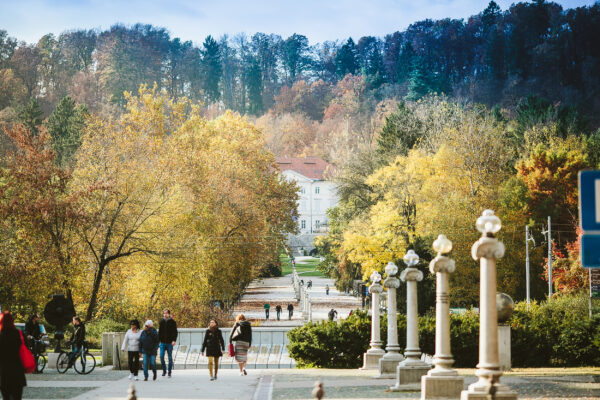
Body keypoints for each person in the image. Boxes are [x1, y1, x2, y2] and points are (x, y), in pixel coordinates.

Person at [0, 311, 26, 400]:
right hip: (17, 371)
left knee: (6, 397)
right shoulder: (17, 334)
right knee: (17, 397)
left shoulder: (1, 335)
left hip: (4, 373)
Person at [158, 309, 178, 378]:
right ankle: (164, 370)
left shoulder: (173, 322)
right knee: (161, 356)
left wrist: (174, 340)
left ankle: (169, 372)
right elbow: (159, 332)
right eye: (164, 313)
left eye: (166, 313)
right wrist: (159, 341)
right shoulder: (161, 322)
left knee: (170, 357)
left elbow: (175, 332)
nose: (165, 314)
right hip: (162, 342)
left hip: (170, 342)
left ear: (169, 314)